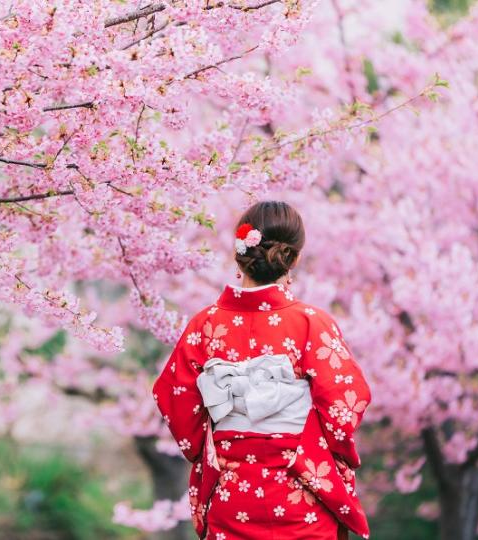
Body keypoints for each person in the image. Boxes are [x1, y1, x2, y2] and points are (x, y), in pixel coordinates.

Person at [152, 201, 372, 540]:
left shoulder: (204, 325)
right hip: (301, 495)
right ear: (294, 258)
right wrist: (315, 452)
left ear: (240, 255)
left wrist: (214, 448)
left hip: (232, 493)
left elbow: (175, 398)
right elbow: (344, 403)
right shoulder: (312, 324)